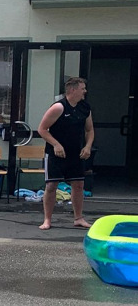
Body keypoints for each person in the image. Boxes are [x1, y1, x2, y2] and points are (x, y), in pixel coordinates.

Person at [36, 77, 94, 230]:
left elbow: (89, 130)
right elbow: (42, 129)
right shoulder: (59, 107)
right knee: (51, 185)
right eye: (82, 88)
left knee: (79, 185)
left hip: (76, 152)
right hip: (56, 153)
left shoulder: (85, 108)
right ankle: (47, 220)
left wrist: (88, 146)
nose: (85, 91)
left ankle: (78, 218)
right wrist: (56, 144)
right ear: (73, 90)